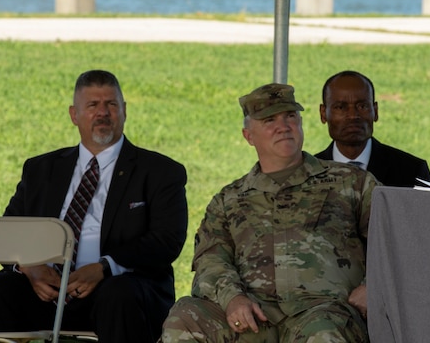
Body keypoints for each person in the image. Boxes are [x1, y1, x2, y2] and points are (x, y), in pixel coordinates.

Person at [0, 69, 189, 343]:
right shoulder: (41, 170)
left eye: (111, 104)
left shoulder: (159, 172)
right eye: (93, 105)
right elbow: (9, 230)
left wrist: (105, 267)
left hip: (118, 288)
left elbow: (167, 240)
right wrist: (30, 268)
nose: (103, 113)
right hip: (44, 289)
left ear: (124, 111)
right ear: (74, 115)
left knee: (119, 296)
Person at [160, 83, 375, 343]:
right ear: (248, 136)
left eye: (290, 117)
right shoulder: (229, 199)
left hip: (322, 311)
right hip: (252, 316)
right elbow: (210, 259)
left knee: (325, 332)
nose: (283, 126)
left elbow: (395, 241)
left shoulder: (352, 182)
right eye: (269, 120)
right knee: (185, 316)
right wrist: (233, 298)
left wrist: (371, 286)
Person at [314, 70, 430, 187]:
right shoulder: (307, 173)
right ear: (323, 113)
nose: (353, 116)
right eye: (340, 107)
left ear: (375, 111)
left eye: (362, 106)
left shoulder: (412, 171)